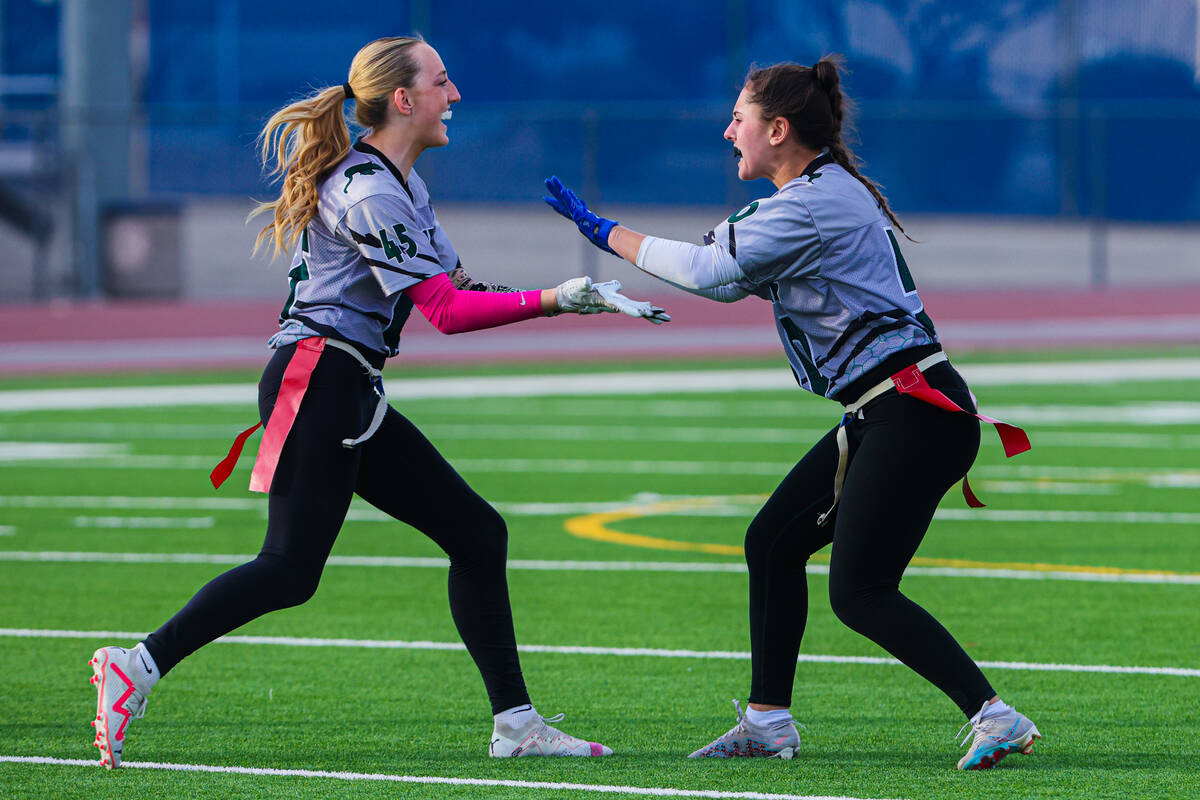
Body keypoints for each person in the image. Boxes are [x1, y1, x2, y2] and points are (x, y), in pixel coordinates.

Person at [86, 35, 665, 769]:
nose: (454, 96)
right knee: (291, 569)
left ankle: (516, 724)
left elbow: (455, 289)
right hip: (319, 380)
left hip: (345, 385)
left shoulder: (399, 183)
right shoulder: (369, 189)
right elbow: (449, 314)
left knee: (477, 535)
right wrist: (558, 299)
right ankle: (136, 664)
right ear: (404, 99)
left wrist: (570, 295)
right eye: (442, 82)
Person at [543, 57, 1039, 770]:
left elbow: (708, 272)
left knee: (861, 592)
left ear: (778, 130)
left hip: (913, 409)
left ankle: (995, 714)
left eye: (739, 119)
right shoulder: (808, 195)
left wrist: (604, 231)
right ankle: (768, 720)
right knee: (771, 543)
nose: (727, 131)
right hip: (887, 409)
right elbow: (724, 278)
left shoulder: (812, 200)